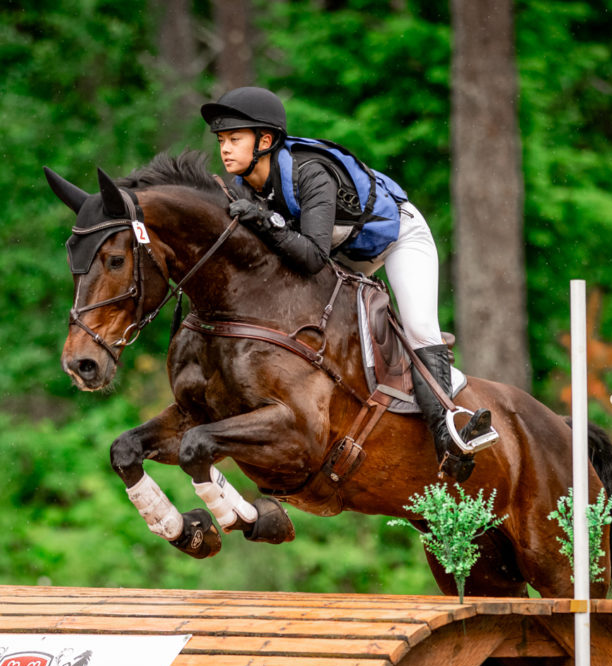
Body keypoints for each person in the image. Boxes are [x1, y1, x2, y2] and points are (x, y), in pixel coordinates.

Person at [200, 86, 495, 482]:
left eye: (235, 139)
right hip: (345, 255)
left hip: (397, 241)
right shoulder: (246, 188)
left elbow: (310, 257)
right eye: (222, 140)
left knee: (419, 328)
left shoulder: (310, 173)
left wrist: (264, 222)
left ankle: (450, 431)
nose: (225, 149)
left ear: (265, 141)